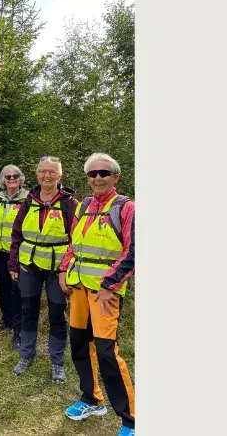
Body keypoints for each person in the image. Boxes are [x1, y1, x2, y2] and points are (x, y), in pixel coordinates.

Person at [59, 153, 135, 436]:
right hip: (78, 289)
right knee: (79, 345)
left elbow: (133, 252)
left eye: (104, 173)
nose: (98, 178)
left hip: (106, 294)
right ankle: (92, 399)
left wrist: (109, 285)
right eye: (92, 174)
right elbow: (73, 244)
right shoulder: (85, 205)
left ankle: (131, 420)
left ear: (115, 177)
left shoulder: (126, 208)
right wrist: (63, 270)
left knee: (107, 352)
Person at [8, 156, 78, 383]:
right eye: (42, 171)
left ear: (60, 175)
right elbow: (17, 234)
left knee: (57, 313)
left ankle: (57, 362)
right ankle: (26, 355)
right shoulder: (29, 200)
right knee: (28, 309)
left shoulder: (70, 203)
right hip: (29, 266)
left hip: (59, 269)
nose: (47, 175)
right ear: (37, 174)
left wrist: (68, 269)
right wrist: (13, 263)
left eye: (52, 172)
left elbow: (77, 240)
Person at [0, 164, 28, 350]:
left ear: (20, 178)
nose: (11, 179)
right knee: (3, 285)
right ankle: (6, 321)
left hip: (18, 252)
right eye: (7, 177)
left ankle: (18, 328)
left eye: (14, 176)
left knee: (17, 288)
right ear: (3, 180)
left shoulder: (27, 198)